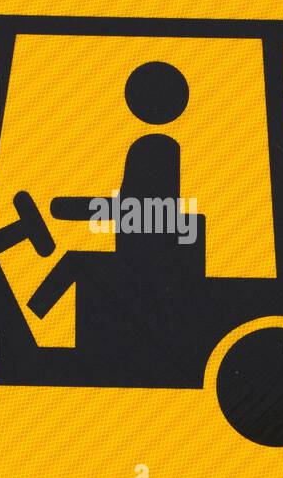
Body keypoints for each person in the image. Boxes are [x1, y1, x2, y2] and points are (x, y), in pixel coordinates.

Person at [27, 61, 188, 318]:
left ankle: (28, 319)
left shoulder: (155, 149)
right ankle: (32, 317)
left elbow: (138, 206)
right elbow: (133, 205)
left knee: (74, 262)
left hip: (145, 254)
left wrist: (68, 208)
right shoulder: (153, 147)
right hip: (140, 245)